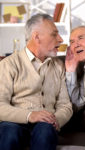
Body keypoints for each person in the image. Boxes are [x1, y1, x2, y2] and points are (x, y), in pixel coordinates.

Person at [0, 13, 73, 150]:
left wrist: (56, 120)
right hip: (14, 123)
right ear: (36, 37)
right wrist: (30, 115)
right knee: (9, 132)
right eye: (54, 34)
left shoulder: (58, 66)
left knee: (45, 131)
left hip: (46, 125)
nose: (61, 39)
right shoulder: (8, 64)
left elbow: (65, 105)